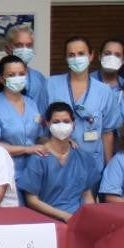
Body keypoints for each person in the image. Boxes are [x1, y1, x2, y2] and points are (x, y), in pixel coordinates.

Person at [47, 36, 120, 170]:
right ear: (66, 58)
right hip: (57, 161)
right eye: (71, 55)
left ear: (91, 56)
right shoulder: (51, 85)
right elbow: (42, 123)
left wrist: (108, 167)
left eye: (81, 54)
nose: (76, 58)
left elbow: (108, 132)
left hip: (92, 163)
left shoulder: (104, 91)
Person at [20, 102, 98, 222]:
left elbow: (87, 197)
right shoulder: (39, 158)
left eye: (66, 122)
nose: (61, 125)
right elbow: (31, 200)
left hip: (78, 221)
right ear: (47, 123)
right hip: (46, 222)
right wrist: (64, 216)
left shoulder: (83, 157)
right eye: (56, 122)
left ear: (74, 124)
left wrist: (91, 220)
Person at [0, 54, 48, 175]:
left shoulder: (31, 103)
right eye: (11, 75)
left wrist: (58, 142)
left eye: (21, 74)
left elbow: (39, 137)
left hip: (33, 169)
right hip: (6, 170)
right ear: (1, 78)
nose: (17, 78)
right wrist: (27, 150)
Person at [0, 25, 49, 110]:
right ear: (7, 48)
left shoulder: (39, 79)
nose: (25, 49)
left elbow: (41, 112)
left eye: (29, 45)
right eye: (19, 45)